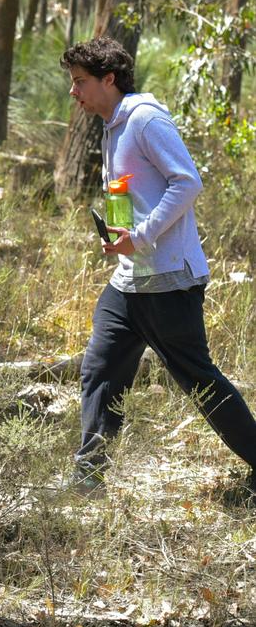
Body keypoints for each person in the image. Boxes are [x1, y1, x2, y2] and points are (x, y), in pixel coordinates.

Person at [60, 37, 256, 496]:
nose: (74, 92)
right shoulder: (112, 126)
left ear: (109, 79)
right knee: (100, 369)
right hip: (129, 280)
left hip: (168, 280)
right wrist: (120, 232)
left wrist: (142, 235)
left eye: (80, 82)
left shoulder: (145, 118)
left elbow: (187, 182)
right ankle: (88, 478)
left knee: (199, 381)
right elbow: (130, 188)